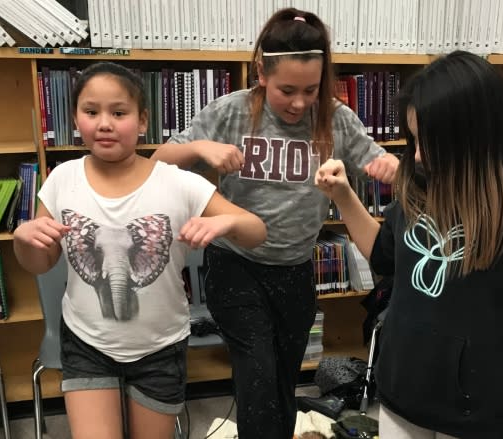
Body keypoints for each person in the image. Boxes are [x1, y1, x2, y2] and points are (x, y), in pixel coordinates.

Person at [315, 51, 503, 438]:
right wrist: (344, 195)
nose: (417, 155)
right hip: (402, 393)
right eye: (415, 138)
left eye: (430, 141)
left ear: (475, 135)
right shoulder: (421, 182)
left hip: (478, 414)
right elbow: (384, 254)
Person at [151, 7, 399, 438]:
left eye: (311, 90)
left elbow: (376, 157)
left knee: (283, 380)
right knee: (258, 377)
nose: (300, 103)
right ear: (261, 73)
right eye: (287, 90)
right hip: (235, 266)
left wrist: (390, 166)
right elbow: (156, 162)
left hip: (295, 272)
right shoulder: (231, 112)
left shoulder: (334, 117)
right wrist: (203, 149)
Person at [13, 61, 266, 439]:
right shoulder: (62, 178)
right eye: (91, 111)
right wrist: (23, 238)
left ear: (142, 120)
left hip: (160, 347)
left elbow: (257, 231)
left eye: (119, 112)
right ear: (75, 118)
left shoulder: (179, 183)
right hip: (87, 343)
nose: (104, 123)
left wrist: (226, 223)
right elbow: (40, 261)